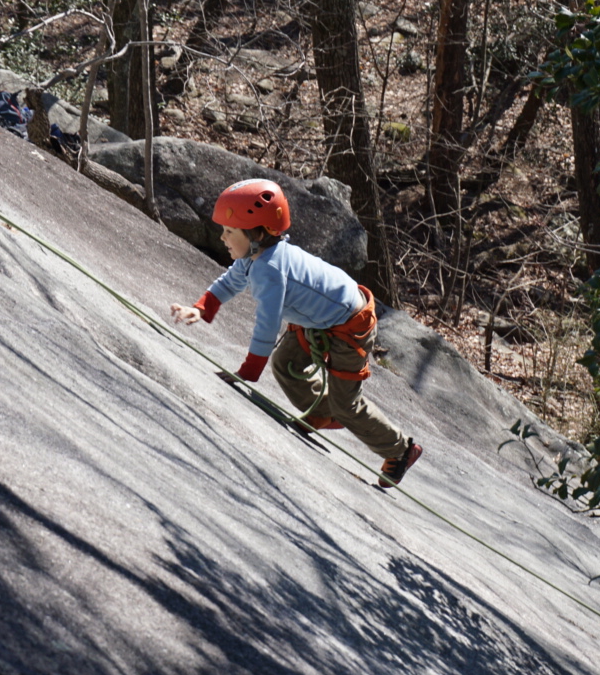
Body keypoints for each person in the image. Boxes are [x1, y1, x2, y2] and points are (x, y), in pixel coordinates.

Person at [171, 179, 423, 488]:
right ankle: (322, 410)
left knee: (347, 404)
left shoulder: (269, 269)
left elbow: (267, 324)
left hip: (351, 324)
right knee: (286, 362)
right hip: (322, 318)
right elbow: (231, 281)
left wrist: (248, 372)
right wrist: (202, 307)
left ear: (257, 234)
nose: (222, 237)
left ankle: (400, 450)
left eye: (230, 231)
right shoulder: (255, 257)